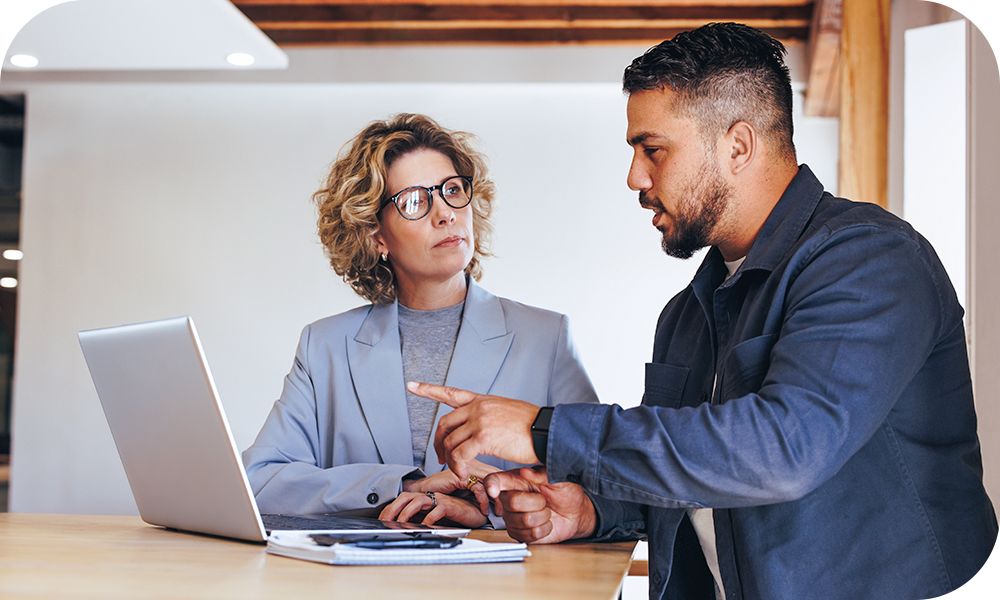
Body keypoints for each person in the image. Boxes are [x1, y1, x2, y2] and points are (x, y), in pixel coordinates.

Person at [407, 23, 998, 599]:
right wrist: (589, 509)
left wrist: (542, 429)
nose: (635, 176)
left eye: (653, 149)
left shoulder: (871, 258)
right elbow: (698, 472)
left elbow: (783, 451)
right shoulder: (686, 314)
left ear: (737, 145)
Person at [241, 113, 597, 529]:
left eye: (452, 190)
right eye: (414, 201)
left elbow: (598, 487)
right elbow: (261, 481)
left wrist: (486, 512)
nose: (445, 214)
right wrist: (403, 486)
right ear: (376, 235)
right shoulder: (324, 346)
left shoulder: (546, 337)